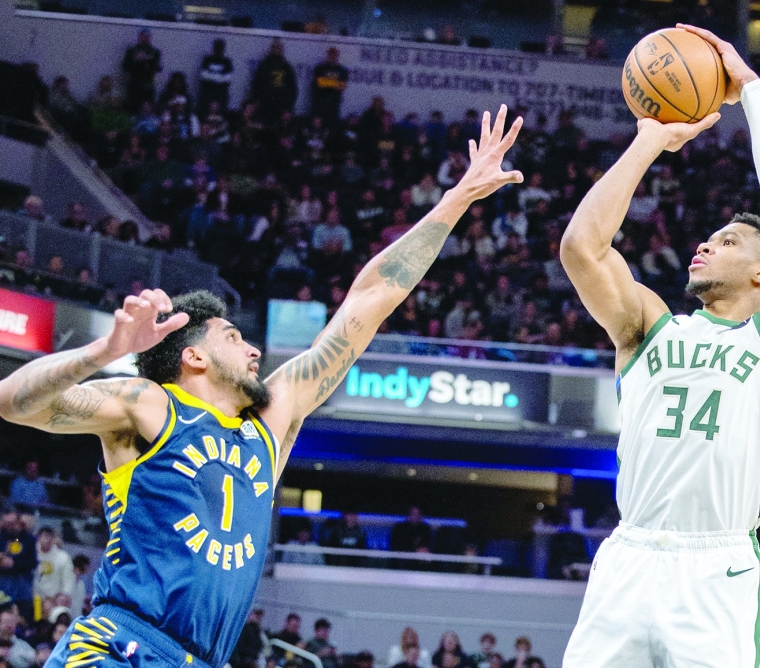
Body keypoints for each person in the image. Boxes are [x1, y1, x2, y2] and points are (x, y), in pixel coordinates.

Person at [0, 105, 522, 668]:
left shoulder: (269, 422)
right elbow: (14, 400)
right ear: (193, 355)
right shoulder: (150, 406)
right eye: (234, 336)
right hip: (118, 647)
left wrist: (457, 200)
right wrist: (104, 352)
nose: (253, 349)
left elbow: (370, 298)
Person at [559, 25, 760, 668]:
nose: (705, 245)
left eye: (729, 242)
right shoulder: (649, 328)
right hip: (628, 557)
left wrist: (752, 92)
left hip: (718, 568)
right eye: (708, 238)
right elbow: (580, 249)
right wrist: (647, 140)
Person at [252, 39, 298, 123]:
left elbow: (292, 87)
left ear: (282, 50)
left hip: (281, 105)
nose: (276, 50)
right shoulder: (264, 65)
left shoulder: (287, 67)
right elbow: (256, 84)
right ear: (270, 50)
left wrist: (289, 107)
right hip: (265, 103)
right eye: (274, 48)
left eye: (278, 48)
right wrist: (255, 100)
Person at [0, 512, 37, 612]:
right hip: (2, 582)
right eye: (7, 523)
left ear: (18, 522)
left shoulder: (29, 540)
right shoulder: (1, 537)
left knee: (24, 611)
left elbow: (32, 563)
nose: (9, 527)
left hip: (22, 584)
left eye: (12, 523)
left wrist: (14, 564)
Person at [32, 527, 74, 612]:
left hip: (53, 599)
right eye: (44, 537)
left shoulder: (63, 557)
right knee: (37, 621)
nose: (47, 540)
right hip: (34, 598)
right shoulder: (32, 553)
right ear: (38, 538)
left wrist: (64, 595)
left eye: (49, 537)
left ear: (53, 539)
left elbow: (68, 579)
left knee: (50, 622)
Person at [121, 28, 162, 112]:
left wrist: (148, 60)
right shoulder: (132, 51)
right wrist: (137, 60)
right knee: (133, 107)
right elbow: (125, 67)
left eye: (147, 37)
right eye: (143, 36)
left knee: (148, 107)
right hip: (134, 84)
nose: (145, 39)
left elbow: (158, 68)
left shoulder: (154, 52)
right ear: (139, 37)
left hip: (148, 84)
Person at [311, 48, 349, 126]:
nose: (332, 57)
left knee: (332, 123)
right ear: (328, 55)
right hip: (320, 99)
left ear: (337, 56)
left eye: (334, 55)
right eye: (331, 54)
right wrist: (335, 83)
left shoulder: (342, 70)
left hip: (334, 100)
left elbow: (342, 85)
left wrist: (325, 82)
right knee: (318, 122)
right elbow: (317, 82)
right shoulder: (320, 68)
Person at [198, 39, 234, 115]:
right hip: (207, 94)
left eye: (220, 48)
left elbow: (227, 79)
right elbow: (203, 76)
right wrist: (219, 77)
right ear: (213, 48)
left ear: (223, 49)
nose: (218, 50)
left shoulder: (227, 62)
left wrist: (211, 76)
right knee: (204, 114)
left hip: (221, 95)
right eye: (216, 47)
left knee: (220, 115)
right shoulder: (207, 60)